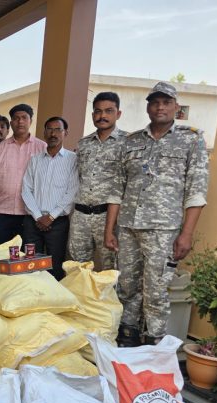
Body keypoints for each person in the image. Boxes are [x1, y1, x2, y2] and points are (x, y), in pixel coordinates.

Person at [104, 81, 209, 346]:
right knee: (126, 286)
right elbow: (117, 189)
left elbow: (196, 192)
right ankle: (127, 338)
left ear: (176, 107)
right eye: (155, 102)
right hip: (128, 227)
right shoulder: (131, 142)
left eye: (166, 102)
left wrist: (186, 234)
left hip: (163, 230)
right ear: (148, 107)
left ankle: (154, 344)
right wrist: (110, 229)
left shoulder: (191, 139)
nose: (160, 107)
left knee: (155, 291)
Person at [68, 92, 127, 270]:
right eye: (98, 111)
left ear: (118, 114)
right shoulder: (84, 144)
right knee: (78, 268)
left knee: (112, 269)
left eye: (109, 111)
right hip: (80, 216)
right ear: (93, 114)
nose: (102, 116)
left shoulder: (128, 143)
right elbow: (78, 177)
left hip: (109, 217)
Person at [21, 117, 78, 280]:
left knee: (55, 266)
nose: (53, 134)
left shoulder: (73, 159)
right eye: (49, 129)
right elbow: (26, 189)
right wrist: (38, 217)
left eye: (58, 130)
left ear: (65, 133)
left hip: (58, 223)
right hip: (33, 222)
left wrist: (51, 216)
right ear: (44, 133)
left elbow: (72, 191)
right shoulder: (35, 160)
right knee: (31, 265)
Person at [0, 104, 46, 247]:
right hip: (1, 213)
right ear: (11, 122)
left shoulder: (42, 148)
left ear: (30, 121)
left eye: (24, 118)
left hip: (30, 214)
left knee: (26, 256)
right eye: (16, 118)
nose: (20, 121)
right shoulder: (0, 148)